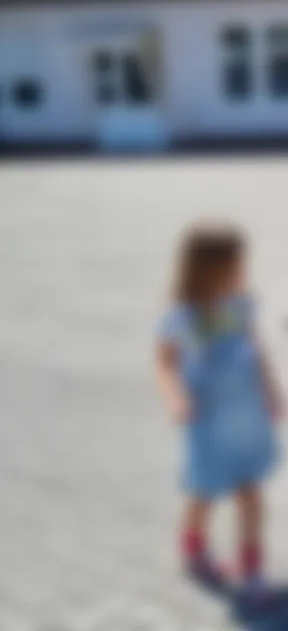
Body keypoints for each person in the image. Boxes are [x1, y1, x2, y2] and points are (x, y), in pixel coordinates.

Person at [155, 223, 281, 603]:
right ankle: (194, 549)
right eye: (232, 264)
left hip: (245, 414)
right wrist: (175, 396)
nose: (240, 271)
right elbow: (164, 361)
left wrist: (271, 388)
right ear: (205, 267)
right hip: (208, 418)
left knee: (251, 493)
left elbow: (254, 346)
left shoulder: (239, 302)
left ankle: (252, 570)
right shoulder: (182, 313)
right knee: (204, 491)